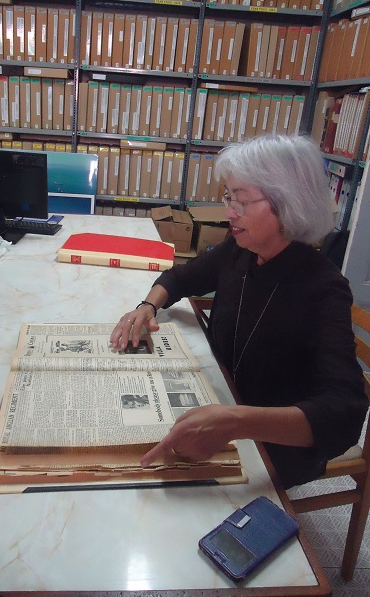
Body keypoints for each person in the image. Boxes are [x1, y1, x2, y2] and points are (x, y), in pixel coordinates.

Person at [109, 134, 369, 489]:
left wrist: (237, 421)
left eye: (242, 201)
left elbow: (345, 412)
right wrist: (148, 305)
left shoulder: (323, 288)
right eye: (229, 197)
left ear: (288, 204)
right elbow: (182, 277)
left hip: (268, 443)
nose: (229, 211)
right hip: (218, 398)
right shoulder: (241, 249)